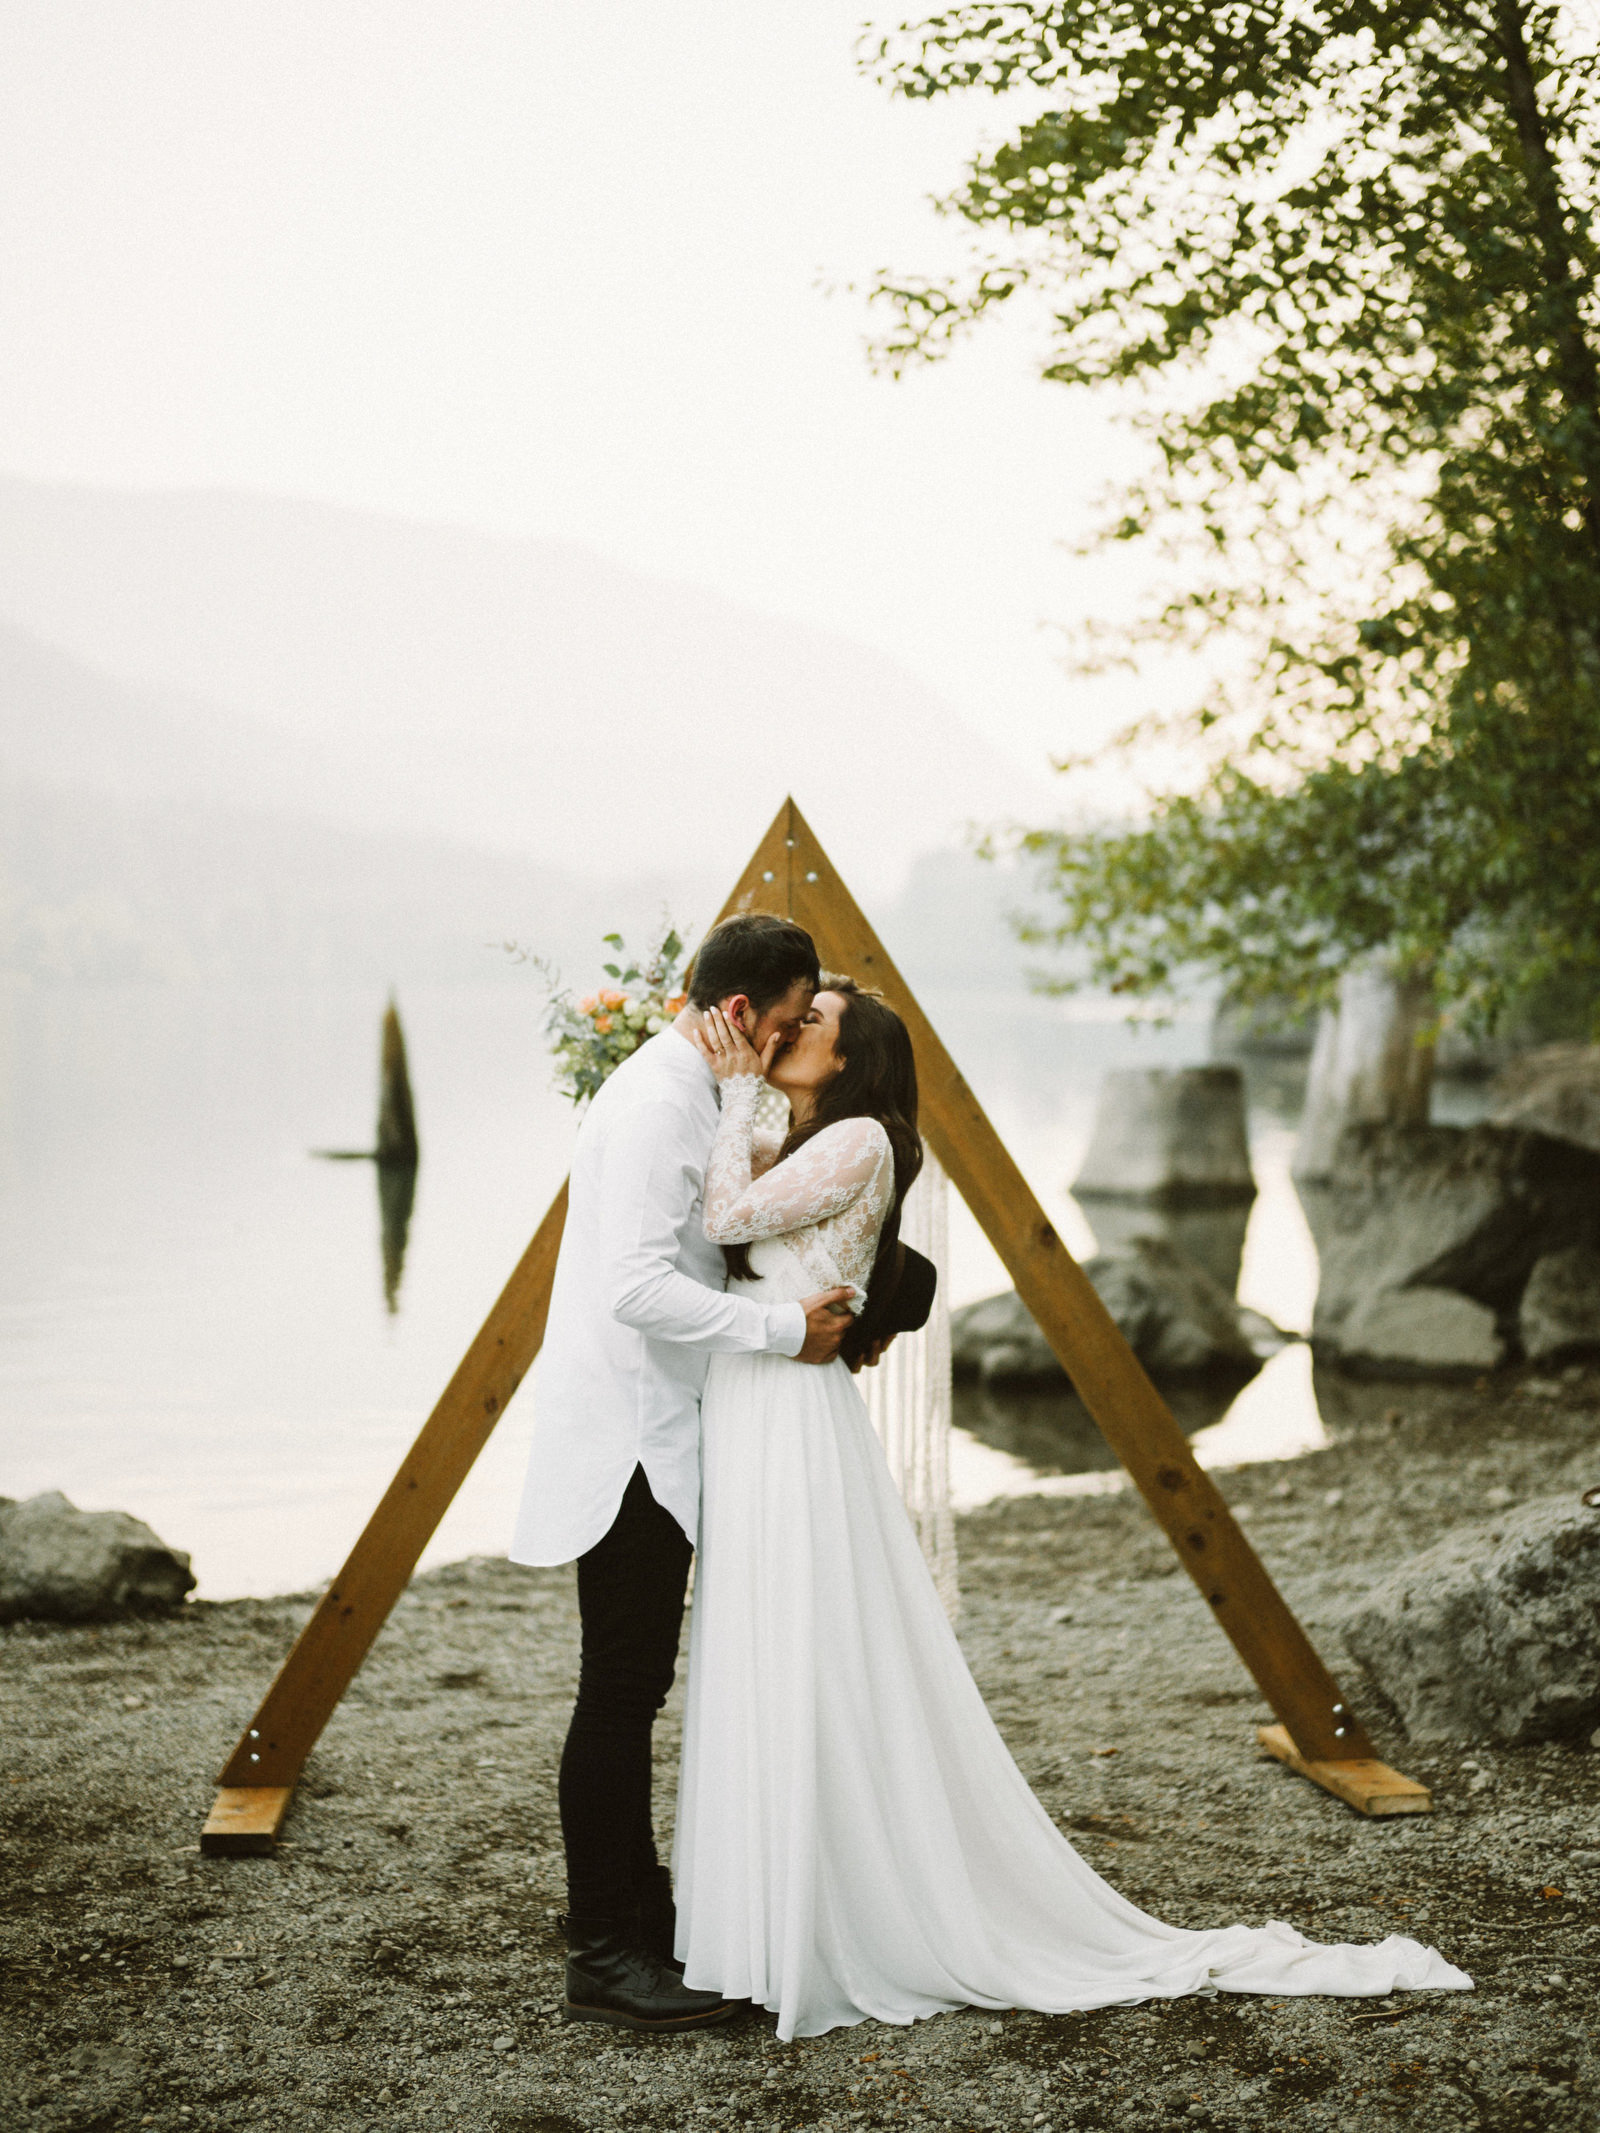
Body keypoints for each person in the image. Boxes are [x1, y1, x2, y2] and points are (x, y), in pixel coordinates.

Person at [672, 980, 1474, 2041]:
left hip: (793, 1423)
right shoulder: (811, 1132)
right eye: (790, 1015)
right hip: (764, 1406)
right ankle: (769, 1908)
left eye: (809, 1022)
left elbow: (726, 1216)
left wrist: (730, 1094)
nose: (785, 1032)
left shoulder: (862, 1136)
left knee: (806, 1639)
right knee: (769, 1644)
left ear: (854, 1055)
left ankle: (828, 1917)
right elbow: (738, 1233)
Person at [509, 912, 860, 2033]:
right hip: (630, 1442)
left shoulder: (677, 1086)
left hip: (645, 1427)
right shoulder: (662, 1103)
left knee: (628, 1690)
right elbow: (635, 1287)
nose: (801, 1032)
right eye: (797, 1018)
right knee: (618, 1695)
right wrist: (778, 1335)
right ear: (744, 1015)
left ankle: (638, 1923)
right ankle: (607, 1953)